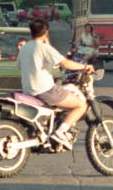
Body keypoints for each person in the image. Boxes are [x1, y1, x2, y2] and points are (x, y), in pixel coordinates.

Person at [18, 18, 94, 150]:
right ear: (46, 32)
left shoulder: (24, 48)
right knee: (81, 105)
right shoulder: (44, 48)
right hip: (45, 91)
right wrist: (84, 67)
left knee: (64, 92)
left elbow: (21, 67)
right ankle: (60, 132)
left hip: (28, 91)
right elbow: (65, 63)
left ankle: (53, 127)